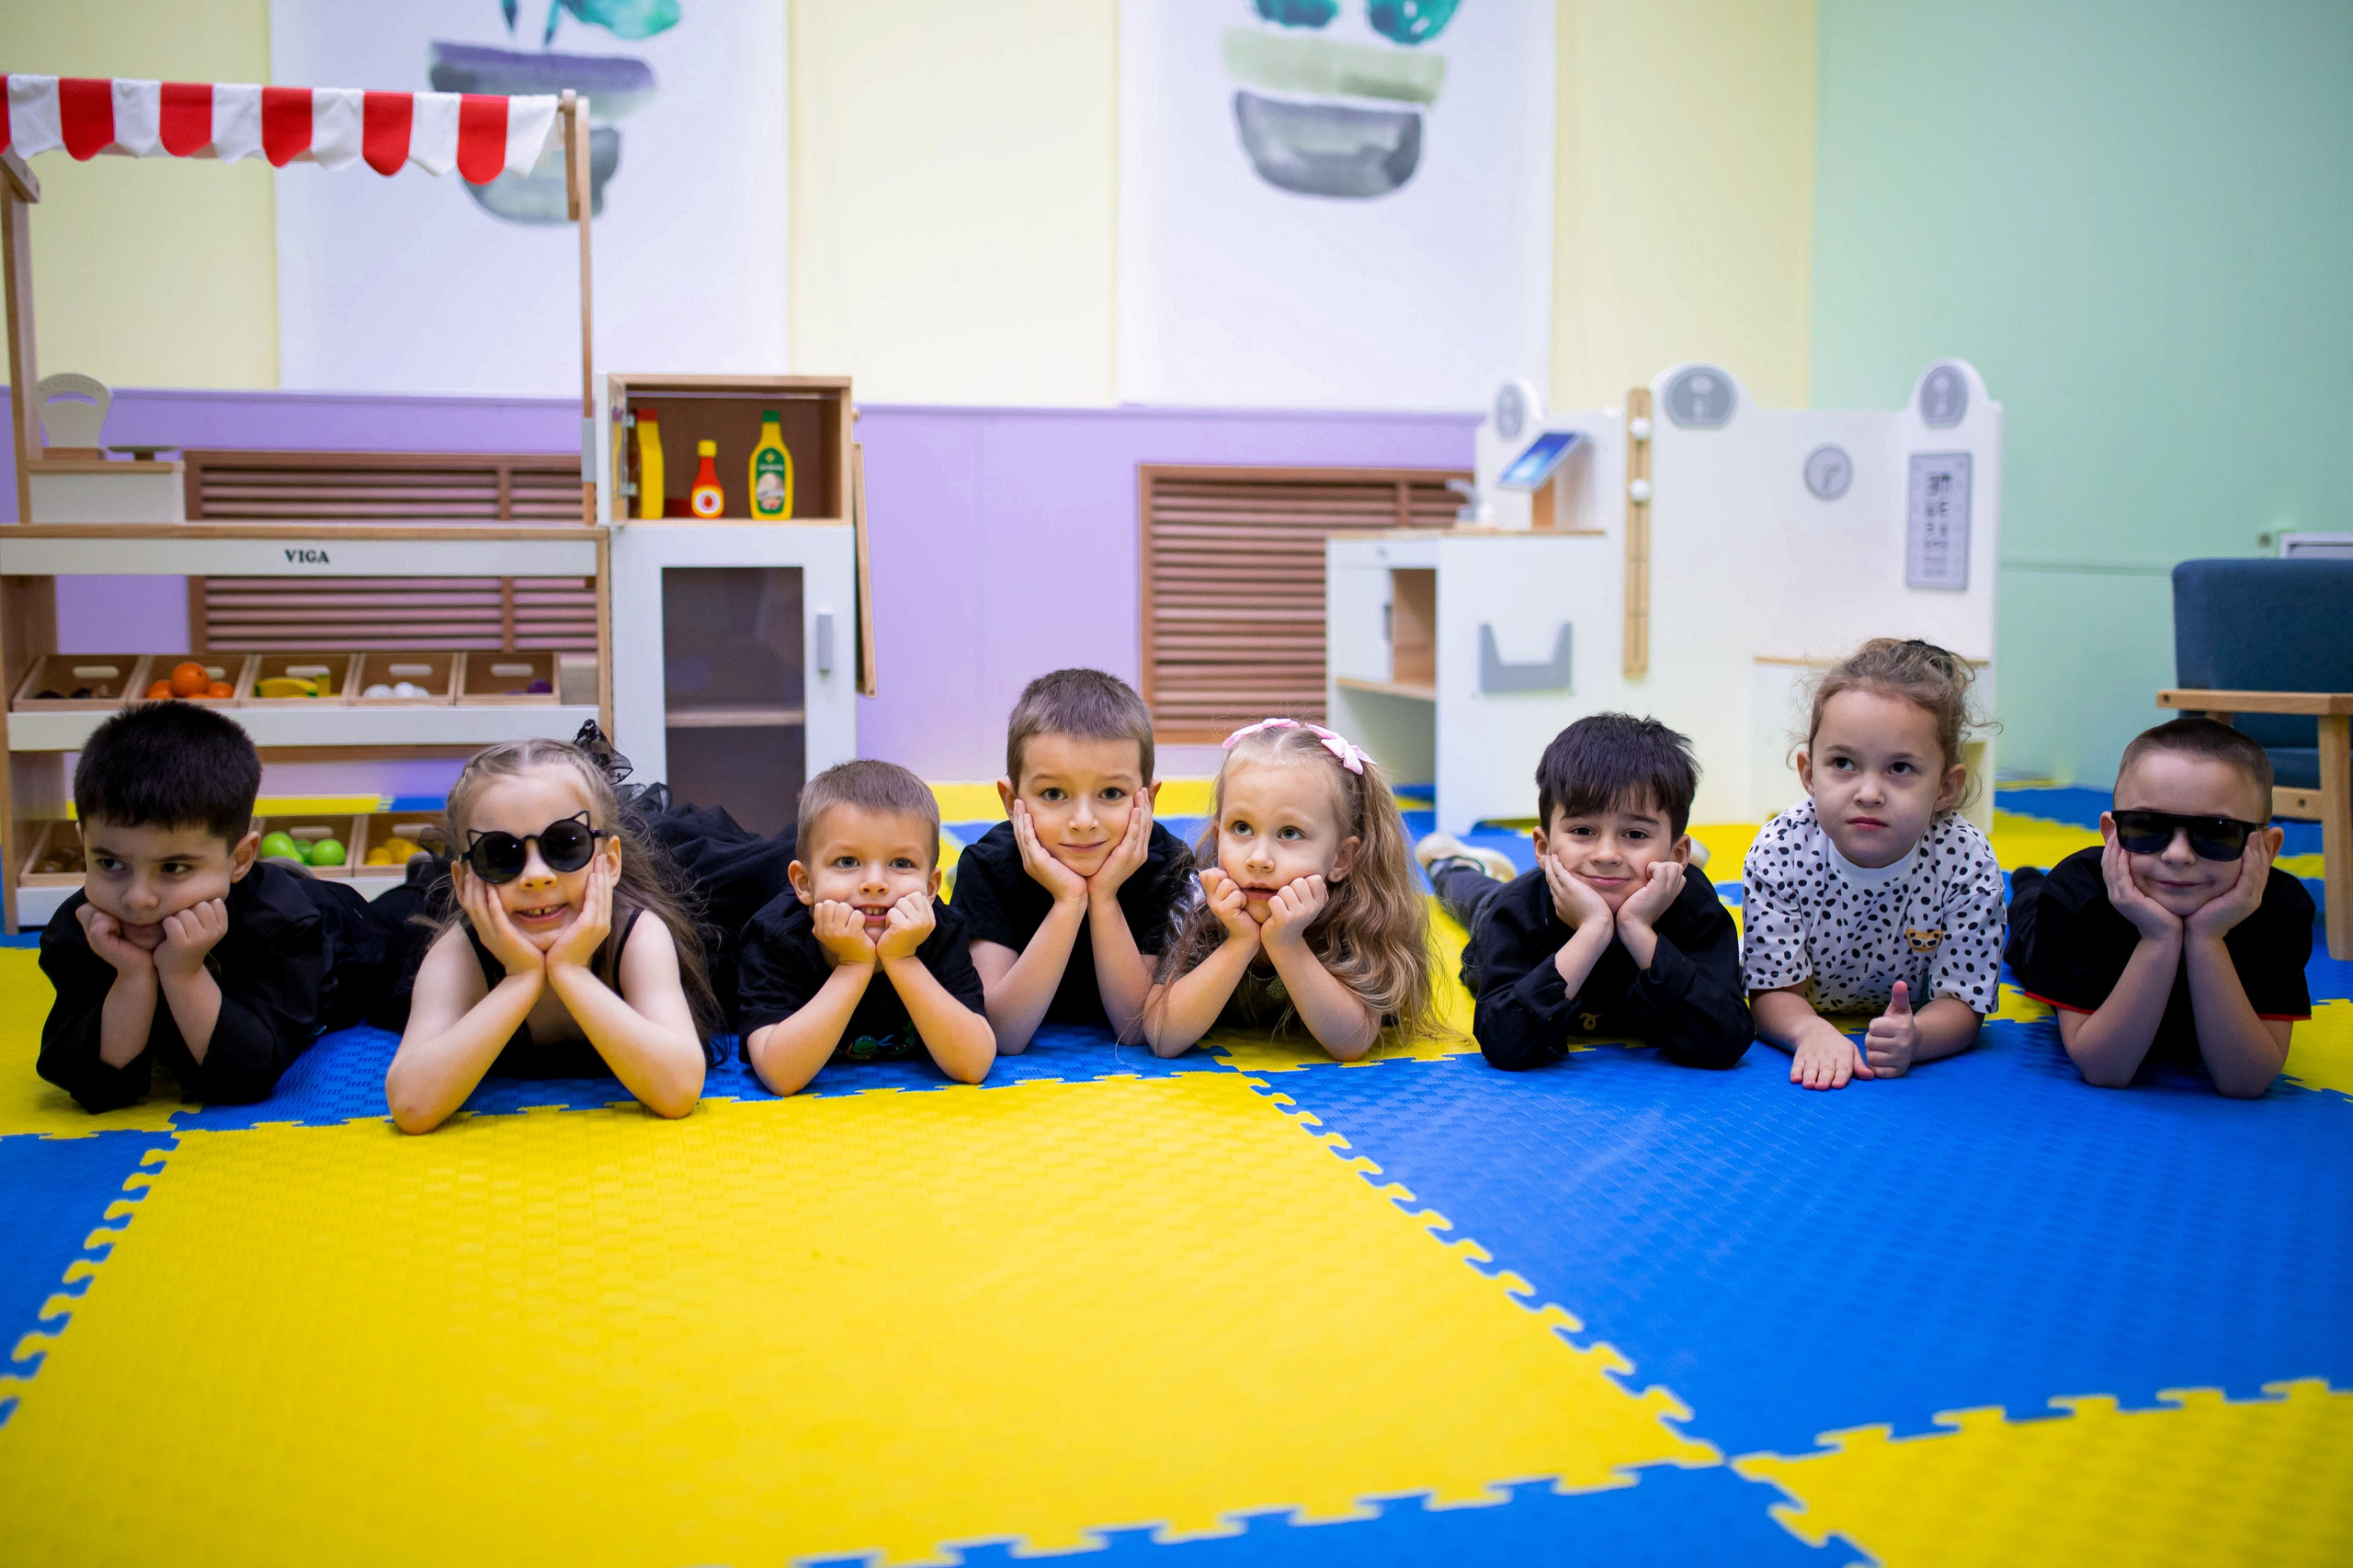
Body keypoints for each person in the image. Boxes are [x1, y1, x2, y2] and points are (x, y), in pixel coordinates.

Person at [38, 700, 389, 1112]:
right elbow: (88, 1083)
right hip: (247, 895)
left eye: (173, 868)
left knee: (406, 940)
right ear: (84, 844)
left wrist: (183, 973)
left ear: (240, 859)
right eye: (110, 864)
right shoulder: (81, 927)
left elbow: (246, 1078)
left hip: (341, 934)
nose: (137, 898)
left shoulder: (283, 924)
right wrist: (132, 977)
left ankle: (422, 874)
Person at [384, 736, 718, 1133]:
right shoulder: (459, 954)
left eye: (565, 845)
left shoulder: (637, 935)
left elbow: (679, 1091)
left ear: (610, 862)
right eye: (499, 855)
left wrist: (570, 971)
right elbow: (411, 1106)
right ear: (462, 880)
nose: (537, 876)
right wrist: (520, 978)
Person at [1742, 638, 2006, 1089]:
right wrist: (1807, 1031)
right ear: (1809, 773)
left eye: (1900, 768)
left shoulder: (1967, 862)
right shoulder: (1779, 850)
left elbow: (1964, 1003)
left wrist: (1919, 1037)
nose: (1868, 793)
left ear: (1945, 787)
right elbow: (1771, 992)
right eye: (1843, 763)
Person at [1419, 713, 1750, 1072]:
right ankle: (1447, 862)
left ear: (1677, 854)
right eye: (1582, 831)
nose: (1606, 855)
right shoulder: (1519, 910)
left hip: (1650, 881)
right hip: (1522, 900)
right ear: (1543, 846)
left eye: (1635, 834)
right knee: (1477, 898)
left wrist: (1637, 928)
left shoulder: (1695, 906)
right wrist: (1593, 929)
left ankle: (1657, 858)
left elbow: (1725, 1039)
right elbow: (1504, 1043)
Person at [2006, 718, 2309, 1097]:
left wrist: (2207, 938)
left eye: (2217, 831)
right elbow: (2104, 1070)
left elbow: (2245, 1082)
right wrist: (2159, 937)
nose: (2178, 855)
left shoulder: (2281, 908)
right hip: (2060, 929)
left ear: (2266, 848)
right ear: (2111, 835)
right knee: (2028, 917)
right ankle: (2027, 883)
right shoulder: (2077, 895)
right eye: (2147, 826)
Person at [1141, 717, 1432, 1062]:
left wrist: (1287, 943)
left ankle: (1448, 864)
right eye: (1242, 828)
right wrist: (1240, 941)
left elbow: (1352, 1044)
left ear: (1341, 858)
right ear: (1219, 839)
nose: (1259, 859)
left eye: (1290, 833)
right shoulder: (1199, 902)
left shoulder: (1355, 911)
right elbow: (1162, 1037)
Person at [952, 669, 1193, 1051]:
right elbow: (1000, 1033)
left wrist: (1104, 896)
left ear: (1148, 800)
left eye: (1111, 793)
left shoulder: (1168, 866)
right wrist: (1069, 900)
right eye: (1053, 794)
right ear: (1011, 802)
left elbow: (1135, 1029)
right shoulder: (987, 867)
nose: (1083, 822)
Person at [737, 759, 995, 1094]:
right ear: (804, 883)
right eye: (847, 862)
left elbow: (974, 1064)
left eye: (901, 863)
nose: (875, 883)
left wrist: (903, 960)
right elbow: (780, 1075)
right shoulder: (776, 936)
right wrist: (854, 965)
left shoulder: (942, 931)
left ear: (931, 888)